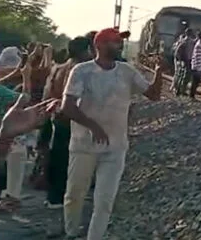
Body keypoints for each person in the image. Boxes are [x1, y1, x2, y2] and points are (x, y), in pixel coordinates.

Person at [60, 27, 164, 240]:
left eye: (120, 41)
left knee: (105, 200)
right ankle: (71, 233)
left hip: (115, 146)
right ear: (99, 45)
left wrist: (159, 71)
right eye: (114, 41)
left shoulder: (127, 71)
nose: (120, 45)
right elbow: (67, 107)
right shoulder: (82, 71)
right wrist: (93, 126)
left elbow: (153, 95)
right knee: (74, 194)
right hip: (84, 144)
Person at [41, 36, 92, 209]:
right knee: (67, 160)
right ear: (84, 50)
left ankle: (53, 196)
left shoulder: (59, 67)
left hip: (56, 116)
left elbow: (48, 93)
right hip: (70, 118)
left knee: (57, 156)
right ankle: (60, 197)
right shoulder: (77, 70)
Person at [172, 29, 194, 96]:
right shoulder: (186, 41)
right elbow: (178, 51)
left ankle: (179, 90)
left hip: (185, 60)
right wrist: (181, 59)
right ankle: (180, 90)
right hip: (186, 60)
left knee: (182, 75)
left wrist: (179, 59)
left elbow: (176, 52)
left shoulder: (184, 41)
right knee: (184, 76)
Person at [189, 30, 201, 99]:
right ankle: (191, 95)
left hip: (198, 66)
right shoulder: (199, 45)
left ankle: (192, 95)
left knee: (196, 81)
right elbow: (197, 57)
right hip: (196, 66)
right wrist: (197, 68)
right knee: (195, 81)